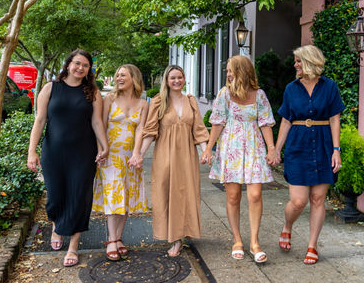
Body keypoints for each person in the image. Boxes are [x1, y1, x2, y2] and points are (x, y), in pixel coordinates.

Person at [27, 49, 109, 267]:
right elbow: (40, 120)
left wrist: (105, 146)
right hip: (53, 152)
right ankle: (57, 226)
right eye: (77, 63)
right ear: (68, 64)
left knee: (79, 196)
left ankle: (73, 246)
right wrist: (31, 151)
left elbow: (97, 122)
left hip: (83, 153)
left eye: (85, 65)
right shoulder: (50, 88)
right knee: (55, 195)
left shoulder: (92, 91)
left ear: (89, 69)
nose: (80, 68)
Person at [200, 55, 278, 263]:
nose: (227, 74)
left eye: (231, 70)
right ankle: (237, 240)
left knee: (255, 195)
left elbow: (265, 123)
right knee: (233, 196)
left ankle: (254, 242)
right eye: (227, 70)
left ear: (242, 71)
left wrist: (271, 149)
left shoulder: (259, 95)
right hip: (231, 147)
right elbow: (217, 122)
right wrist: (209, 148)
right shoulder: (225, 94)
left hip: (254, 146)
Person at [274, 45, 344, 265]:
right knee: (298, 201)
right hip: (298, 145)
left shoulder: (330, 87)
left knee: (317, 199)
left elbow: (334, 119)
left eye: (298, 61)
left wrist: (336, 150)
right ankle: (287, 226)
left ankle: (312, 245)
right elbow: (285, 120)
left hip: (323, 146)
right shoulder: (291, 88)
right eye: (295, 61)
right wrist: (276, 149)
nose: (295, 65)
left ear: (309, 62)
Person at [131, 65, 209, 257]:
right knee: (166, 195)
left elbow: (198, 129)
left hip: (187, 157)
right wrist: (138, 154)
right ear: (166, 80)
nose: (176, 81)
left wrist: (206, 151)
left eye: (180, 77)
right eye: (172, 78)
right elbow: (149, 132)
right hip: (165, 156)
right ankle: (174, 238)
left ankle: (181, 236)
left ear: (184, 79)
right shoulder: (159, 102)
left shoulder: (190, 101)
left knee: (185, 195)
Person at [92, 64, 149, 261]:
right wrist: (101, 150)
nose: (118, 78)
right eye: (117, 75)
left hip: (129, 158)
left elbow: (140, 130)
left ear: (134, 78)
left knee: (125, 198)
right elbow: (101, 125)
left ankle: (118, 238)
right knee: (113, 196)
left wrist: (137, 154)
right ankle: (112, 240)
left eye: (122, 75)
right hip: (111, 156)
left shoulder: (143, 104)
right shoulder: (110, 99)